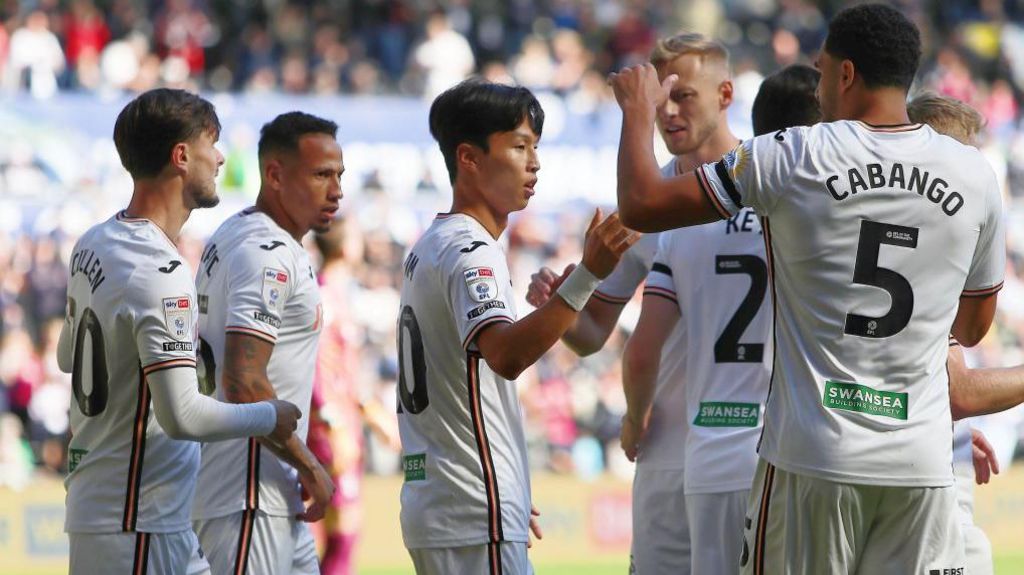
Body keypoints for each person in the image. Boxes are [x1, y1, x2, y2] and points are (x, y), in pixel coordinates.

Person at [609, 4, 1005, 573]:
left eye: (820, 71)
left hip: (813, 456)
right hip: (920, 461)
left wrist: (637, 111)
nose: (817, 88)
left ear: (845, 75)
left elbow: (642, 205)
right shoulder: (974, 174)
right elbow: (970, 327)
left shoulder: (794, 154)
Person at [398, 78, 637, 575]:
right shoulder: (471, 249)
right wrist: (589, 274)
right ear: (469, 157)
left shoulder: (432, 244)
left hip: (446, 499)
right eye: (519, 146)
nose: (535, 162)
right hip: (470, 506)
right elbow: (505, 356)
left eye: (536, 147)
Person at [57, 88, 300, 575]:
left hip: (120, 511)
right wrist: (268, 415)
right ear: (182, 156)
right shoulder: (160, 269)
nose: (221, 157)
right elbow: (183, 417)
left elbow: (68, 356)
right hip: (138, 521)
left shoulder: (95, 241)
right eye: (213, 144)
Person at [529, 32, 742, 575]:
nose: (668, 111)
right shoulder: (634, 210)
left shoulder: (768, 185)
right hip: (669, 446)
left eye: (684, 96)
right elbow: (592, 332)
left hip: (743, 444)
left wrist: (632, 415)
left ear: (725, 94)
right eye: (659, 97)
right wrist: (564, 302)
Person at [621, 62, 825, 575]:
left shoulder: (689, 222)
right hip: (793, 449)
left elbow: (643, 348)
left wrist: (633, 417)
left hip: (711, 455)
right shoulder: (820, 223)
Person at [191, 112, 340, 575]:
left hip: (268, 490)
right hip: (246, 493)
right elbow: (243, 380)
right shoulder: (267, 254)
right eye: (321, 175)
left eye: (338, 176)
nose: (335, 190)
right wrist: (309, 463)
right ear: (274, 174)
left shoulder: (238, 233)